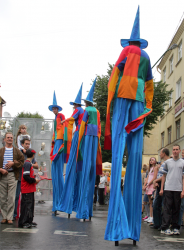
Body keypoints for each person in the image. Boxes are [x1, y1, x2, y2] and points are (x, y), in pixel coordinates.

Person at [104, 6, 154, 242]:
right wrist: (148, 107)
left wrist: (111, 99)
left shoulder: (125, 51)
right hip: (139, 101)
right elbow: (150, 84)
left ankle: (118, 225)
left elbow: (115, 75)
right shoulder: (146, 56)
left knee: (118, 155)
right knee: (135, 156)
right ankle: (132, 228)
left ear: (129, 40)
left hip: (124, 96)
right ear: (140, 41)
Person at [76, 78, 102, 220]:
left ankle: (83, 210)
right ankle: (88, 211)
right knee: (91, 166)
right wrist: (97, 139)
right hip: (95, 138)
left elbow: (82, 125)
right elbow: (99, 127)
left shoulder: (86, 111)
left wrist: (79, 140)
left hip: (87, 136)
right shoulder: (97, 111)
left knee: (86, 166)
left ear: (86, 102)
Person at [58, 83, 84, 214]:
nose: (73, 106)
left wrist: (64, 121)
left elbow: (73, 119)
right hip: (80, 132)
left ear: (76, 104)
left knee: (73, 159)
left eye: (74, 104)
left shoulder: (78, 110)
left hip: (78, 133)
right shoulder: (82, 111)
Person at [0, 132, 24, 224]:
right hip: (2, 175)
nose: (9, 139)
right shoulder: (1, 150)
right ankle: (4, 216)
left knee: (11, 197)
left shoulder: (17, 151)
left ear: (12, 139)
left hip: (12, 175)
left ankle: (10, 217)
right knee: (2, 197)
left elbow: (22, 162)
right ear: (5, 139)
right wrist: (1, 170)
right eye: (8, 137)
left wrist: (13, 163)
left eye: (11, 137)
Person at [160, 145, 184, 235]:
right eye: (173, 150)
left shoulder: (182, 162)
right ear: (172, 151)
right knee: (167, 208)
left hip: (178, 188)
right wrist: (161, 188)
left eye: (176, 150)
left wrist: (183, 190)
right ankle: (165, 227)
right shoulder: (167, 162)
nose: (175, 151)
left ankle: (175, 227)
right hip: (168, 188)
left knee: (176, 208)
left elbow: (183, 177)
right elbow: (164, 176)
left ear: (179, 151)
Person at [14, 136, 38, 219]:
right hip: (18, 177)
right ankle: (15, 215)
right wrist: (26, 164)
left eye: (29, 144)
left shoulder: (30, 154)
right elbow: (15, 163)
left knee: (27, 200)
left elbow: (36, 165)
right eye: (26, 144)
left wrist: (28, 164)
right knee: (16, 197)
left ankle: (26, 218)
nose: (27, 145)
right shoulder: (17, 152)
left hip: (26, 180)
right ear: (22, 144)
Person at [49, 91, 65, 213]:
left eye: (55, 108)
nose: (54, 110)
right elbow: (56, 130)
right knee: (55, 166)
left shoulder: (61, 116)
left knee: (58, 168)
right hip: (56, 140)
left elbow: (63, 128)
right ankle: (57, 204)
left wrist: (62, 141)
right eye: (53, 109)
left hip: (60, 140)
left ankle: (60, 202)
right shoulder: (56, 118)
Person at [18, 148, 40, 228]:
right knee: (26, 206)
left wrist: (33, 177)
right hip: (27, 188)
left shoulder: (28, 163)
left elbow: (26, 175)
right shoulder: (28, 164)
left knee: (29, 205)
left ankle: (29, 221)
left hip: (29, 189)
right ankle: (24, 222)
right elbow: (26, 176)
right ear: (33, 155)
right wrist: (34, 180)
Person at [150, 148, 170, 230]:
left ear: (164, 153)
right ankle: (157, 223)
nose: (159, 154)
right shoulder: (163, 163)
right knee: (156, 205)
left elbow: (164, 176)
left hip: (164, 186)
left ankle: (162, 224)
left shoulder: (168, 162)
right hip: (159, 185)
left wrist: (156, 180)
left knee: (162, 205)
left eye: (160, 153)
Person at [144, 157, 158, 223]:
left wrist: (148, 184)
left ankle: (152, 216)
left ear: (155, 161)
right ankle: (150, 216)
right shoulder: (150, 169)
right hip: (148, 186)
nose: (151, 161)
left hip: (152, 185)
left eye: (152, 160)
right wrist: (145, 184)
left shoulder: (155, 168)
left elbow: (154, 177)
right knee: (149, 201)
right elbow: (148, 177)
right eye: (150, 160)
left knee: (152, 201)